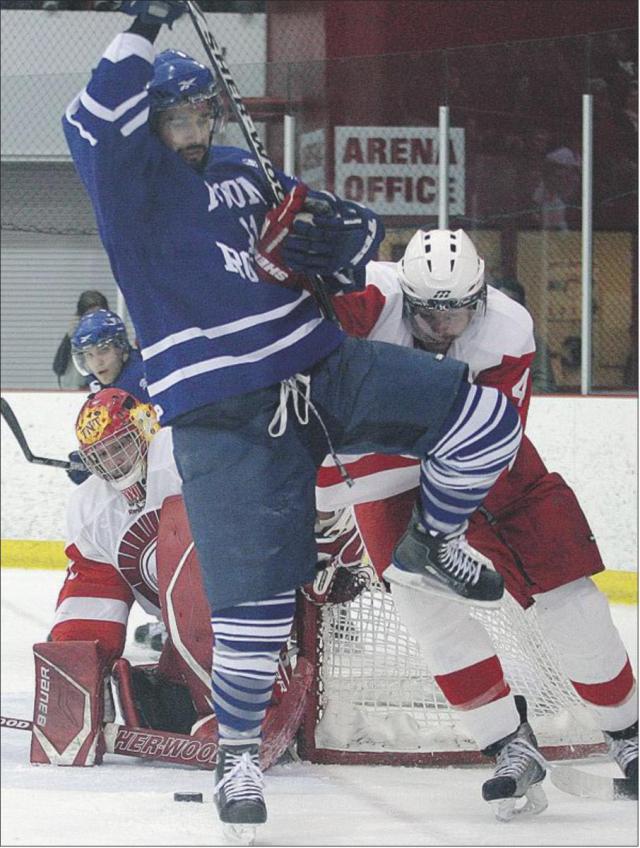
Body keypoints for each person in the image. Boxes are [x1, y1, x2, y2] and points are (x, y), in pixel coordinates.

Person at [62, 2, 523, 833]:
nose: (192, 130)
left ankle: (436, 539)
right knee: (256, 611)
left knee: (484, 421)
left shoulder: (241, 167)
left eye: (200, 113)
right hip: (223, 415)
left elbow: (337, 233)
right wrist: (144, 22)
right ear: (149, 122)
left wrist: (343, 245)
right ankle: (237, 752)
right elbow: (86, 116)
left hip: (322, 367)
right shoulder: (127, 186)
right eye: (175, 118)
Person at [316, 228, 638, 818]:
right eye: (428, 315)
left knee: (568, 595)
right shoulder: (370, 299)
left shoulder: (507, 329)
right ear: (406, 297)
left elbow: (493, 441)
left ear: (481, 297)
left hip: (487, 466)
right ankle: (508, 743)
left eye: (457, 313)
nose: (443, 329)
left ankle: (628, 733)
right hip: (387, 478)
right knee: (428, 612)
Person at [33, 388, 303, 767]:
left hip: (257, 596)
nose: (112, 462)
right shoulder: (90, 507)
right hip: (188, 630)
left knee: (195, 571)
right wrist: (76, 675)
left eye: (119, 447)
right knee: (158, 696)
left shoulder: (183, 452)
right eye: (100, 456)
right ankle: (207, 704)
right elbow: (92, 591)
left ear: (145, 427)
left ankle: (251, 702)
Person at [66, 307, 149, 484]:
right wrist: (92, 458)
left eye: (103, 350)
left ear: (121, 347)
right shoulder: (103, 384)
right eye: (89, 355)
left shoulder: (141, 379)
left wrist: (98, 463)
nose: (97, 362)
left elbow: (150, 442)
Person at [52, 289, 109, 389]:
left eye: (97, 316)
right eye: (89, 317)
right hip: (77, 389)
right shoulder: (77, 335)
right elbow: (59, 368)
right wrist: (70, 336)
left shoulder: (111, 335)